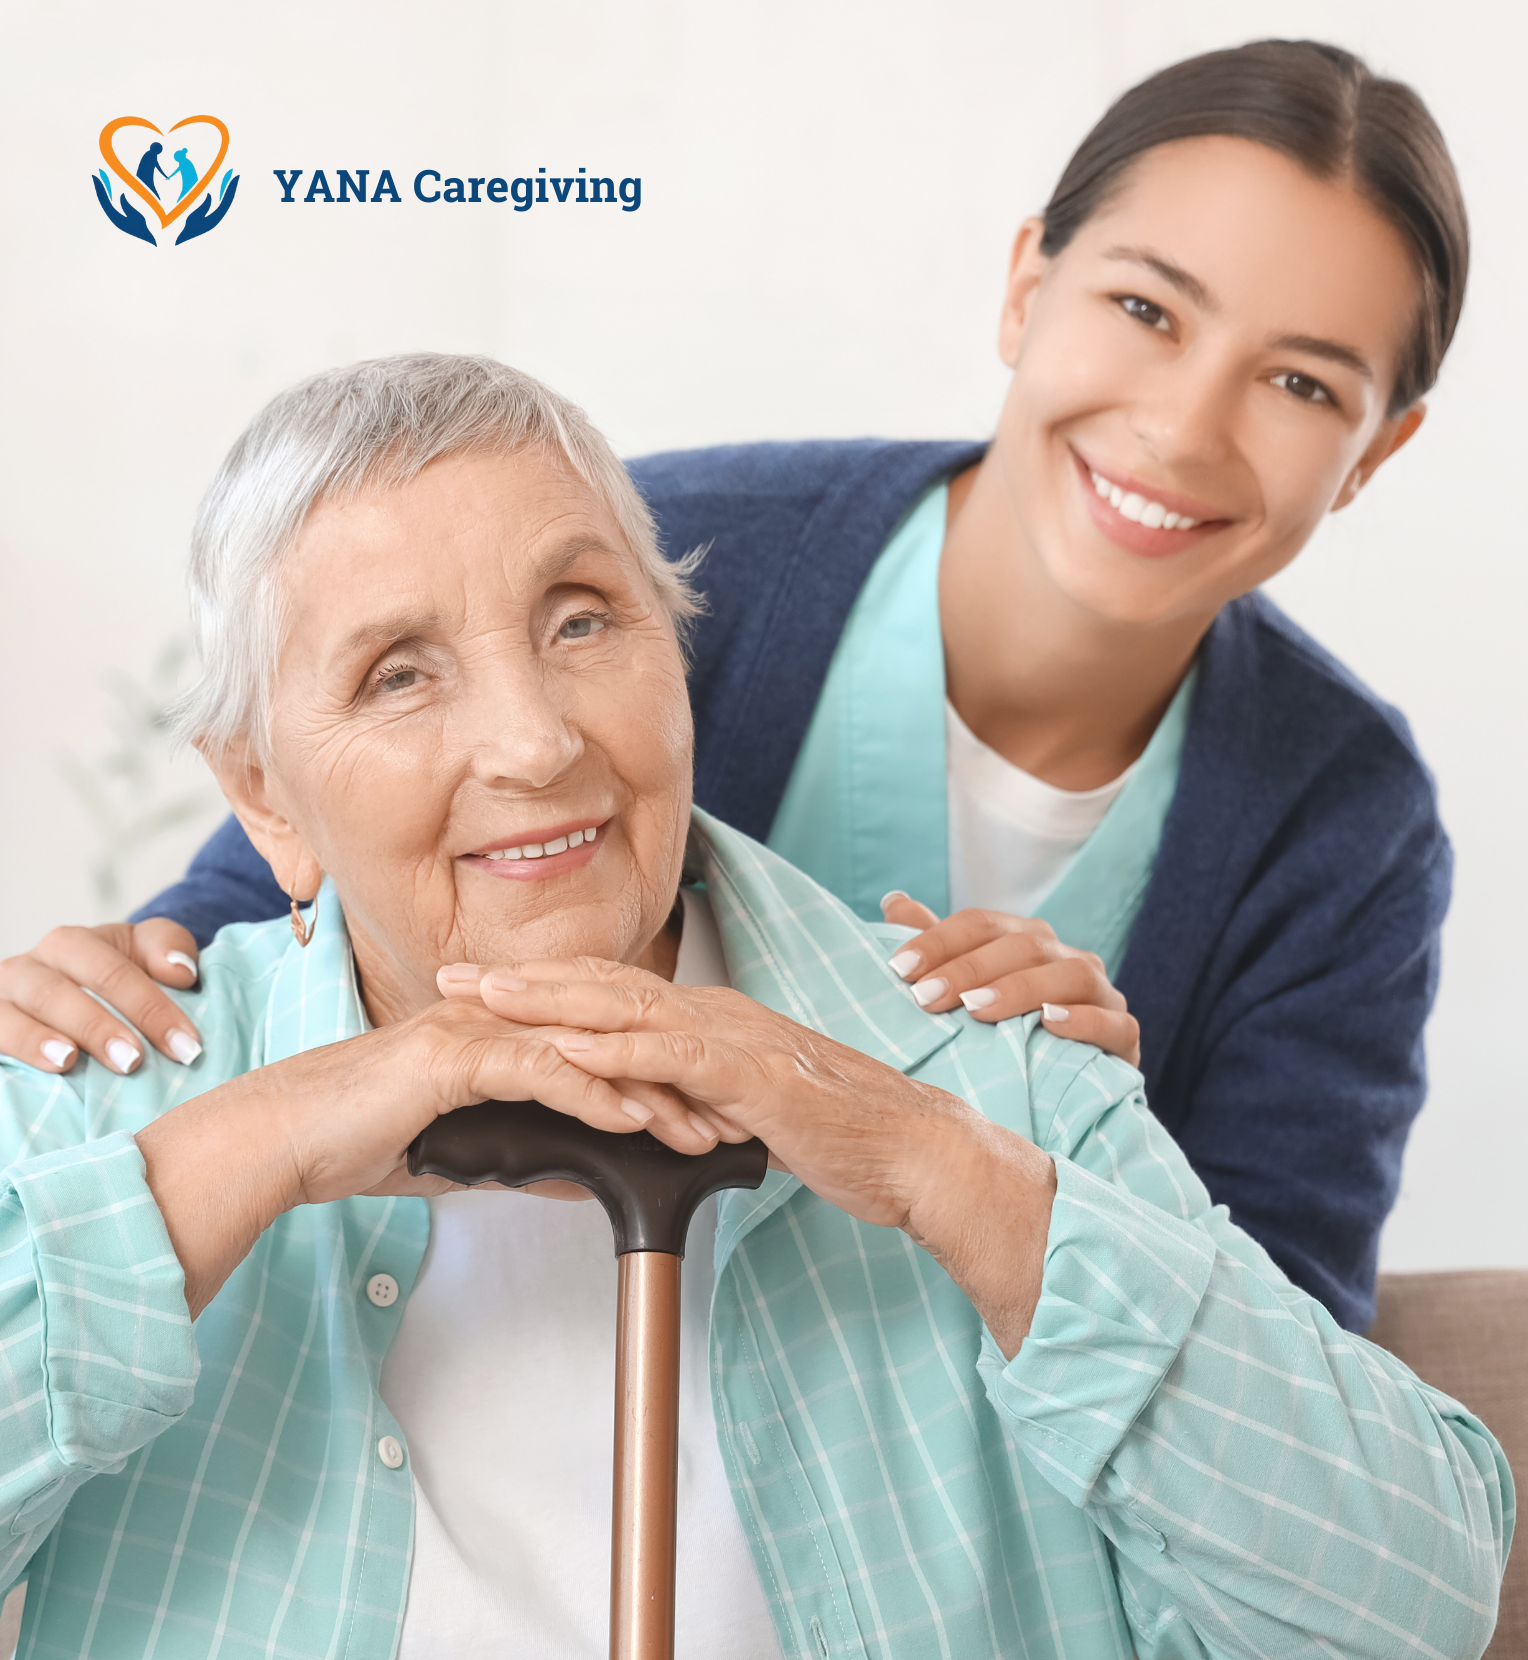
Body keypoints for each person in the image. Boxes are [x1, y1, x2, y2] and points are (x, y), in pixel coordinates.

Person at [0, 354, 1508, 1658]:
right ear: (265, 792)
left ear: (676, 657)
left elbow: (1405, 1605)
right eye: (401, 675)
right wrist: (247, 1153)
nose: (533, 742)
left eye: (584, 620)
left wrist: (936, 1167)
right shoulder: (117, 1085)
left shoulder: (994, 1071)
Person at [0, 40, 1467, 1333]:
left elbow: (1278, 1356)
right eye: (1149, 310)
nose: (1181, 425)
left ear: (1378, 455)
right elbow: (292, 910)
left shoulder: (1345, 820)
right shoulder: (641, 568)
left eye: (1302, 385)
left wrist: (1097, 1158)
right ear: (1027, 286)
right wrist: (119, 996)